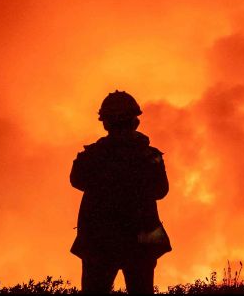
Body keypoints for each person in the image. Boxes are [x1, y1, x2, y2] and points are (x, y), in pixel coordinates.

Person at [70, 90, 171, 294]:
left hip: (99, 240)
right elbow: (161, 191)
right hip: (141, 240)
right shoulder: (150, 157)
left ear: (105, 123)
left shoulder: (92, 157)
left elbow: (77, 181)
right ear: (135, 121)